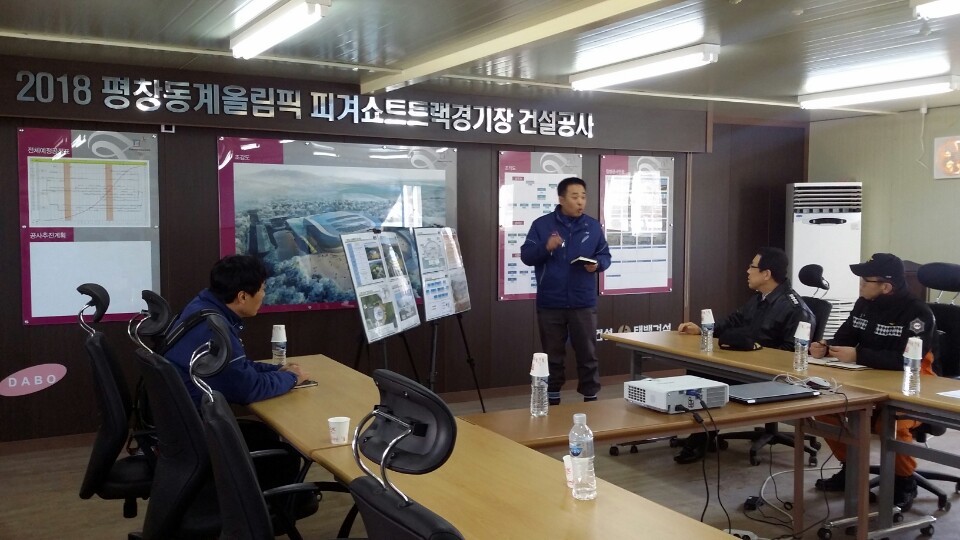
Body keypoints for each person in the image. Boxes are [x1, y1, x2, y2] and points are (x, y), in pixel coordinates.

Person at [810, 253, 936, 511]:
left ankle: (904, 481)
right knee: (824, 411)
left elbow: (908, 360)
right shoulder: (863, 304)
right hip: (869, 378)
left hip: (913, 385)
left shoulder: (918, 313)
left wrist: (858, 355)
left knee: (889, 422)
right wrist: (826, 347)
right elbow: (844, 337)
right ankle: (852, 469)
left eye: (865, 281)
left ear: (886, 287)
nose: (860, 285)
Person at [674, 247, 814, 463]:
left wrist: (756, 354)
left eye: (752, 267)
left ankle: (703, 436)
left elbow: (792, 353)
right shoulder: (760, 298)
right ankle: (702, 430)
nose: (747, 271)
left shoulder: (794, 308)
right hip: (745, 366)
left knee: (712, 377)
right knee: (698, 369)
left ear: (766, 274)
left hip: (770, 376)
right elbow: (734, 320)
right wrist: (704, 330)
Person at [164, 254, 309, 406]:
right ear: (242, 297)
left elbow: (236, 368)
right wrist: (292, 378)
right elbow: (248, 389)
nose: (264, 296)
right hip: (199, 414)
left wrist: (276, 370)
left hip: (180, 406)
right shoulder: (214, 328)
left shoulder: (201, 306)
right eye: (263, 289)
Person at [520, 177, 611, 405]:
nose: (580, 202)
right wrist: (546, 247)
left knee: (588, 353)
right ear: (561, 199)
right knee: (552, 355)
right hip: (551, 301)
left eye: (583, 197)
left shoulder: (593, 226)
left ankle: (590, 396)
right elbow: (526, 256)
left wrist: (597, 265)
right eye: (575, 197)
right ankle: (552, 398)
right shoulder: (542, 225)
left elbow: (605, 255)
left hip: (583, 301)